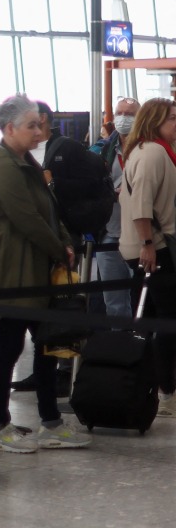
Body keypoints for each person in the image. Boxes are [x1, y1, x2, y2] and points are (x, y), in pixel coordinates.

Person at [0, 95, 88, 453]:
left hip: (34, 269)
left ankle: (50, 421)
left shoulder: (22, 161)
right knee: (9, 348)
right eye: (32, 126)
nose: (39, 132)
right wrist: (60, 249)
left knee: (44, 348)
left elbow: (48, 212)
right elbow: (26, 219)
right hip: (16, 273)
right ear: (9, 128)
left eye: (40, 125)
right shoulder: (3, 166)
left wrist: (64, 242)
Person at [119, 97, 176, 418]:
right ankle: (167, 390)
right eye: (171, 118)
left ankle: (155, 385)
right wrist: (147, 243)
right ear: (155, 121)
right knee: (167, 318)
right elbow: (142, 203)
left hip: (151, 244)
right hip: (153, 246)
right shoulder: (153, 152)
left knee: (155, 317)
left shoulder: (152, 150)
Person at [94, 97, 140, 318]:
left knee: (142, 298)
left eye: (130, 114)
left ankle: (144, 347)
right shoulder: (104, 150)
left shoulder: (147, 148)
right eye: (120, 113)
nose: (124, 118)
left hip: (141, 234)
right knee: (113, 303)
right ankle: (120, 347)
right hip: (110, 232)